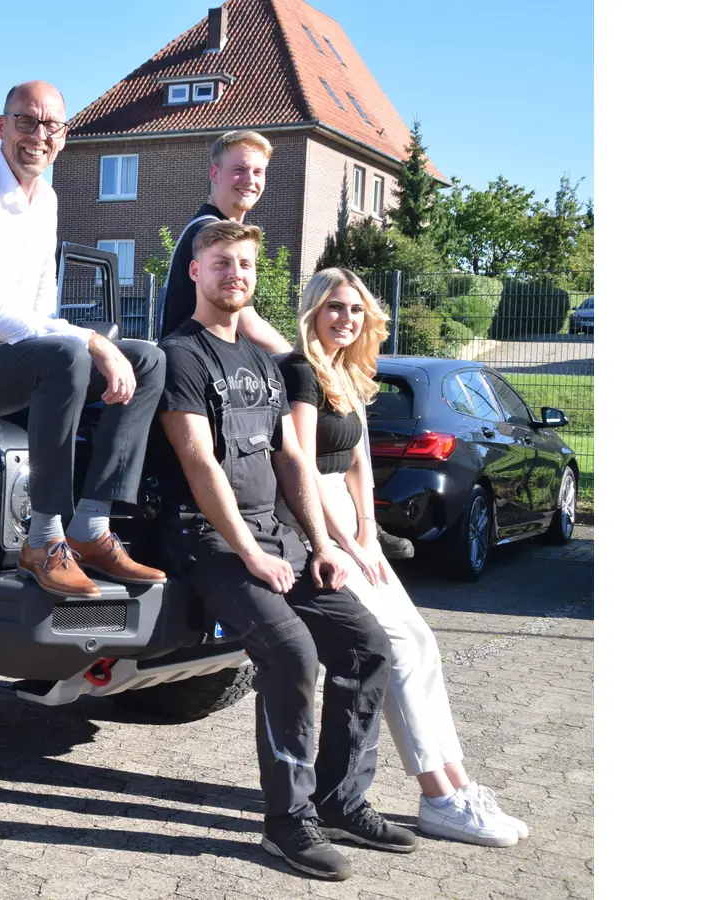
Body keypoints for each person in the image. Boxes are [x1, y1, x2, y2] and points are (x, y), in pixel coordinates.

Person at [153, 221, 415, 881]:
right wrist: (248, 551)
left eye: (245, 264)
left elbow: (291, 455)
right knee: (292, 653)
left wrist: (321, 545)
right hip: (208, 540)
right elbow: (198, 461)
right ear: (194, 271)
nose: (235, 274)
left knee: (368, 646)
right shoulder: (179, 355)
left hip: (278, 536)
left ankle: (340, 800)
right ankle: (287, 823)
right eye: (221, 263)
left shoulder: (264, 362)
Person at [277, 267, 529, 847]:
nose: (345, 318)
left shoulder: (348, 374)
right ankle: (437, 795)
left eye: (356, 310)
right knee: (391, 645)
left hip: (353, 523)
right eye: (334, 307)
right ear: (314, 311)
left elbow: (360, 466)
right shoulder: (301, 372)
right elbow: (303, 473)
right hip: (313, 518)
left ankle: (457, 784)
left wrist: (370, 534)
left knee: (422, 641)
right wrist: (342, 543)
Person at [0, 80, 167, 598]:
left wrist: (94, 345)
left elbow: (40, 309)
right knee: (69, 351)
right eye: (26, 121)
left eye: (50, 125)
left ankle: (91, 528)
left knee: (148, 360)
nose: (38, 135)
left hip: (9, 359)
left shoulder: (46, 198)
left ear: (64, 137)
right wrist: (92, 342)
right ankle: (42, 540)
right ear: (1, 127)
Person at [154, 130, 292, 355]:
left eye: (258, 172)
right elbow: (249, 326)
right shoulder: (210, 232)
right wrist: (305, 364)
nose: (250, 180)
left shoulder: (211, 227)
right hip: (196, 373)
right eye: (239, 170)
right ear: (214, 174)